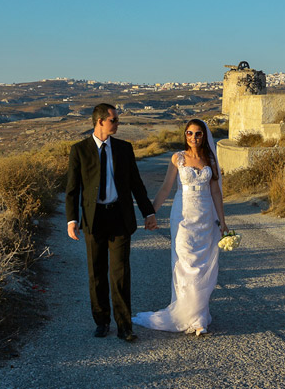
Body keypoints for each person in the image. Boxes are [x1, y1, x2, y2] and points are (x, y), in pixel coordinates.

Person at [66, 103, 158, 342]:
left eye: (117, 120)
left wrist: (148, 213)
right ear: (100, 122)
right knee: (96, 272)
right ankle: (102, 320)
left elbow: (136, 184)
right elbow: (72, 190)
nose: (118, 124)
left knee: (120, 273)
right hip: (94, 219)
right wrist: (72, 220)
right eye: (114, 120)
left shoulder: (124, 149)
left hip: (119, 216)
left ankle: (124, 326)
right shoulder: (79, 150)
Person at [132, 118, 228, 336]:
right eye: (189, 133)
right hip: (183, 216)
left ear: (204, 136)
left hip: (205, 216)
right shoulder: (178, 158)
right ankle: (186, 314)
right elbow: (166, 188)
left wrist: (223, 221)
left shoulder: (210, 159)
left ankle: (199, 316)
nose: (193, 138)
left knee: (202, 265)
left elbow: (215, 192)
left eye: (198, 134)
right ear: (185, 135)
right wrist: (151, 213)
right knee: (185, 263)